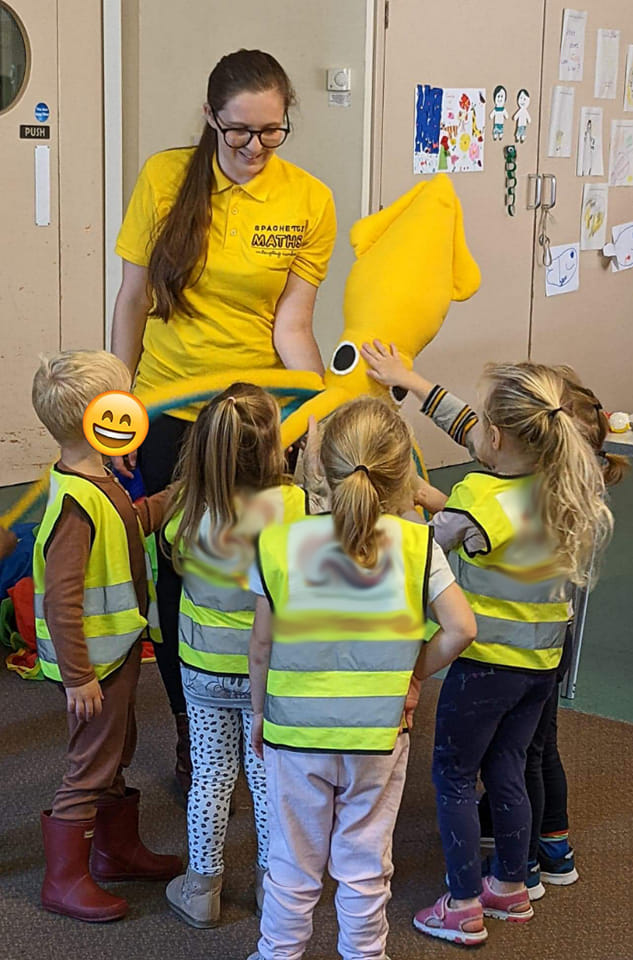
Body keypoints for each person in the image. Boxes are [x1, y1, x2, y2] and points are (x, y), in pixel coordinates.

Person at [110, 49, 337, 793]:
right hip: (170, 408)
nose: (253, 149)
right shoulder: (164, 178)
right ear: (210, 117)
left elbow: (292, 325)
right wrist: (116, 406)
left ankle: (260, 714)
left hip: (251, 416)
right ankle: (191, 727)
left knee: (257, 569)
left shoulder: (308, 200)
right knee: (183, 573)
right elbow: (133, 301)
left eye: (272, 132)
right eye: (238, 132)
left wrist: (312, 413)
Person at [362, 342, 613, 946]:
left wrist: (383, 508)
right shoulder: (563, 485)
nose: (473, 431)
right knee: (506, 767)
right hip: (539, 668)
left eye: (483, 426)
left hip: (483, 668)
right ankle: (509, 884)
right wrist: (411, 382)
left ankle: (463, 903)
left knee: (451, 774)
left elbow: (423, 549)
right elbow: (488, 512)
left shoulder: (480, 495)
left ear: (499, 438)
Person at [246, 396, 477, 960]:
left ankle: (278, 953)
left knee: (292, 863)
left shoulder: (279, 543)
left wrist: (258, 713)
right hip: (377, 737)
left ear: (321, 465)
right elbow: (461, 629)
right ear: (407, 475)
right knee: (365, 862)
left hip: (295, 736)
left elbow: (260, 645)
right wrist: (412, 675)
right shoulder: (418, 546)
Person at [31, 351, 182, 923]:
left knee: (115, 753)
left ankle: (116, 851)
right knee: (90, 764)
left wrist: (176, 495)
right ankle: (63, 879)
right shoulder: (75, 504)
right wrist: (79, 677)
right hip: (92, 663)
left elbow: (131, 523)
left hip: (114, 653)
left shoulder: (99, 479)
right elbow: (60, 599)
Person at [163, 383, 309, 929]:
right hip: (269, 674)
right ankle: (276, 890)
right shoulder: (292, 506)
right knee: (268, 778)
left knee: (211, 778)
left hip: (202, 672)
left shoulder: (187, 506)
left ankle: (202, 886)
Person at [478, 371, 629, 895]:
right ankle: (549, 849)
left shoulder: (522, 495)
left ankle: (524, 866)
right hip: (549, 643)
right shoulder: (568, 489)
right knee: (537, 748)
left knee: (517, 757)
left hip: (519, 649)